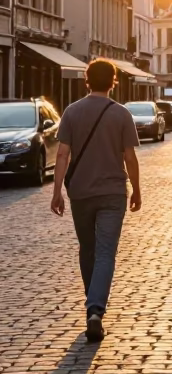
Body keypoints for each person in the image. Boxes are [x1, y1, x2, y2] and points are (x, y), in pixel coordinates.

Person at [50, 58, 142, 343]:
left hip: (80, 193)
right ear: (114, 81)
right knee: (105, 253)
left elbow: (62, 154)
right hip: (113, 192)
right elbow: (129, 157)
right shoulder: (122, 114)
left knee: (88, 249)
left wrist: (56, 192)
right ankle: (95, 309)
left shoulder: (72, 112)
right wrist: (137, 189)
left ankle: (93, 303)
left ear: (86, 81)